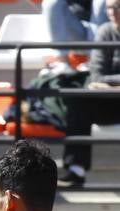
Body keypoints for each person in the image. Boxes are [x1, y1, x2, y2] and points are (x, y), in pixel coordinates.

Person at [59, 0, 120, 189]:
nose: (113, 12)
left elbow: (103, 78)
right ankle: (76, 170)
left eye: (118, 7)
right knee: (78, 101)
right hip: (111, 101)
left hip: (110, 93)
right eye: (110, 7)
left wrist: (109, 83)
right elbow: (97, 75)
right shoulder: (105, 31)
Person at [44, 0, 109, 42]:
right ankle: (62, 60)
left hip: (103, 27)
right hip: (74, 26)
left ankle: (95, 57)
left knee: (101, 2)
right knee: (51, 2)